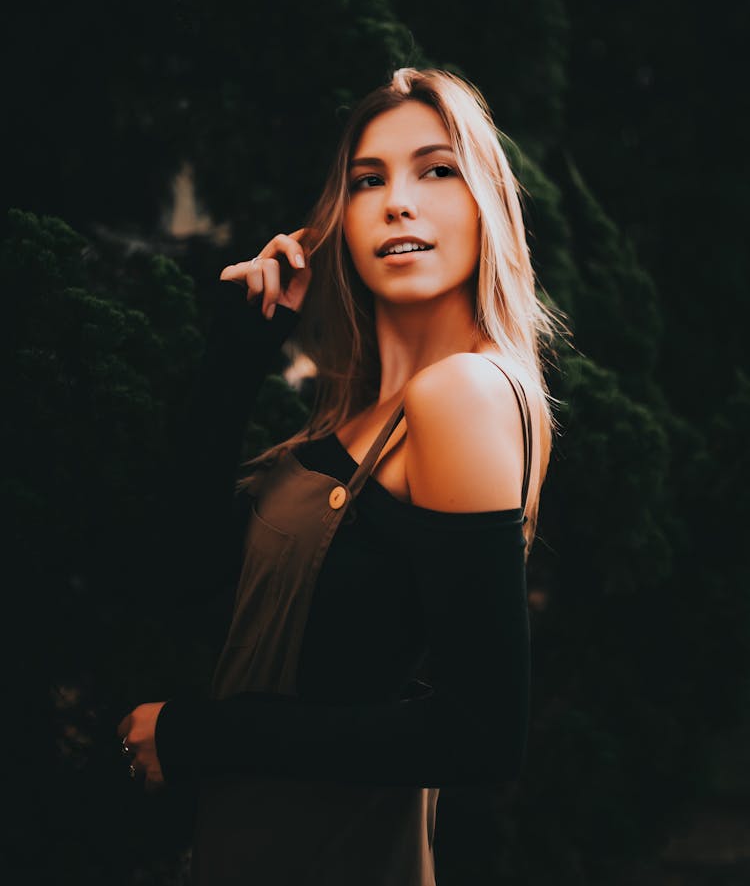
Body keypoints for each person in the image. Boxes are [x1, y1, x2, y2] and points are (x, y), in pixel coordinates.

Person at [117, 67, 563, 886]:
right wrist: (241, 355)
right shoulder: (354, 413)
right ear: (343, 222)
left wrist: (199, 737)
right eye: (369, 180)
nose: (398, 200)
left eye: (437, 169)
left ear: (487, 204)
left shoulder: (459, 394)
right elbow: (183, 574)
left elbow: (481, 736)